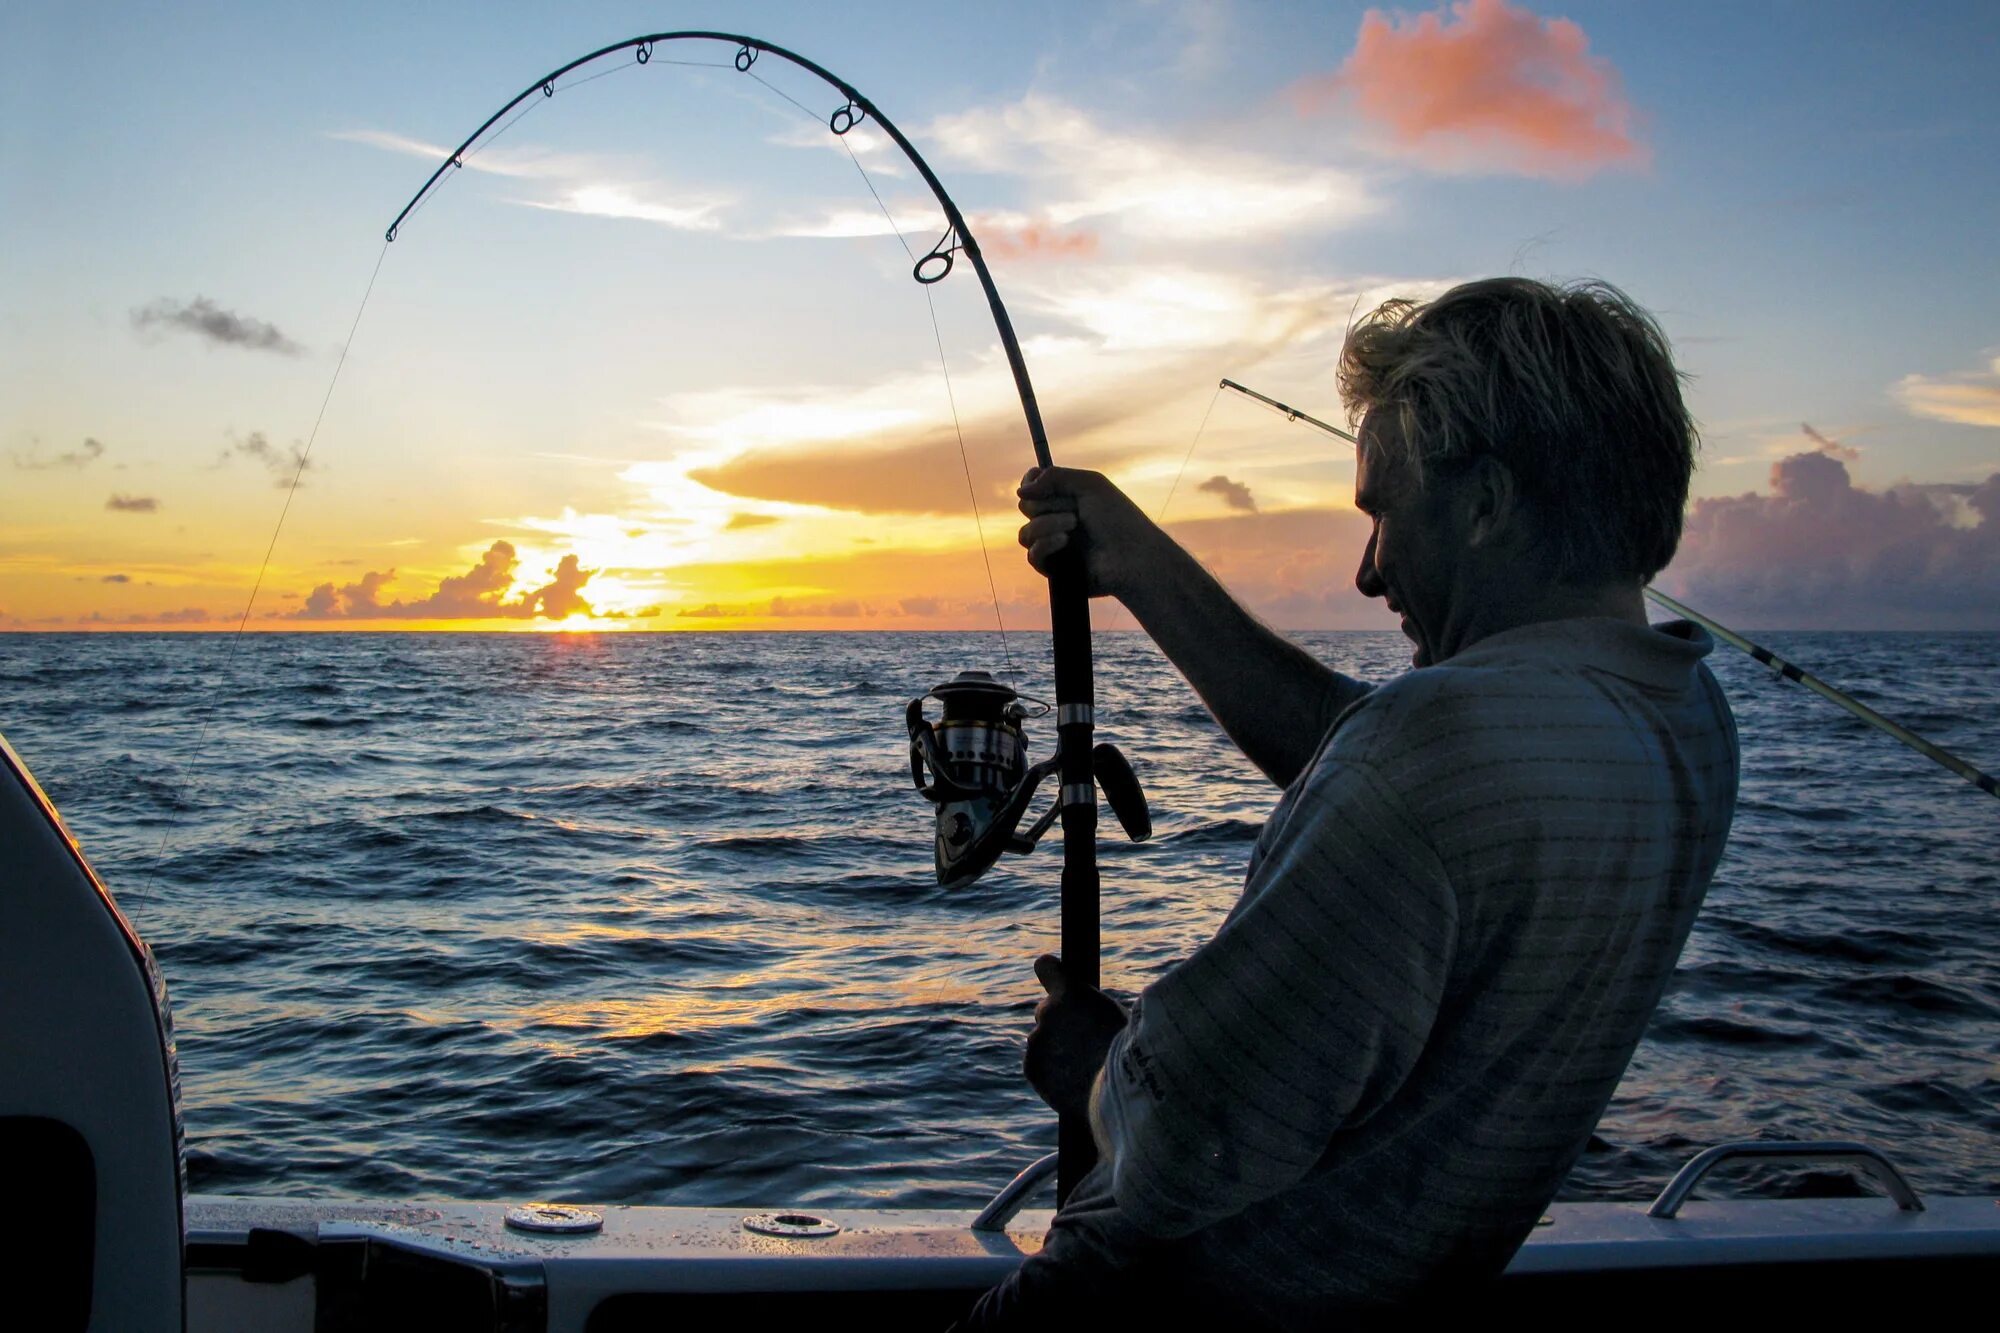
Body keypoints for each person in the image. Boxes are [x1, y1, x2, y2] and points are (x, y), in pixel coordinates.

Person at [956, 278, 1740, 1327]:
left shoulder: (1430, 755)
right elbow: (1370, 759)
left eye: (1381, 512)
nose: (1368, 574)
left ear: (1485, 502)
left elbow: (1178, 1140)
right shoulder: (1681, 721)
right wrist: (1140, 564)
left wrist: (1090, 1064)